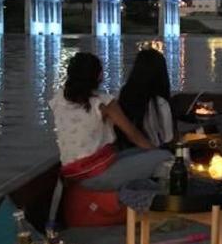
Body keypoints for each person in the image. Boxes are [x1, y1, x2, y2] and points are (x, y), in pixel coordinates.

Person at [49, 52, 171, 191]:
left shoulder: (58, 99)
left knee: (138, 152)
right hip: (95, 175)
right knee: (165, 157)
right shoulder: (103, 102)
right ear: (99, 75)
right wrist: (156, 152)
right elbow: (133, 134)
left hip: (72, 171)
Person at [117, 48, 174, 149]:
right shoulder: (159, 102)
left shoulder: (126, 93)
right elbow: (167, 138)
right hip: (150, 153)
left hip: (125, 151)